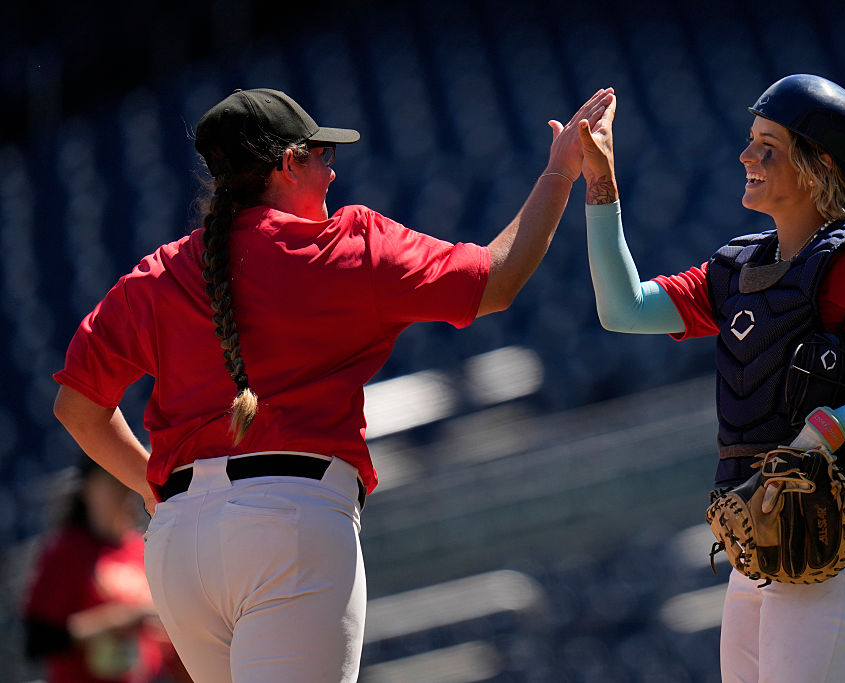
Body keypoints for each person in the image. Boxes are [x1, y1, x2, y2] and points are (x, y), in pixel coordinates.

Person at [52, 85, 613, 682]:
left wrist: (148, 483)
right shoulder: (346, 243)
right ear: (287, 163)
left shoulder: (157, 274)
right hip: (289, 526)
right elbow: (496, 281)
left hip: (177, 549)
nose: (333, 170)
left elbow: (78, 408)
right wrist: (559, 173)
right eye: (321, 156)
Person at [577, 74, 845, 680]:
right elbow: (621, 309)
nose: (746, 157)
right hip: (764, 542)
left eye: (769, 147)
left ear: (818, 166)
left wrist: (840, 424)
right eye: (751, 140)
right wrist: (601, 183)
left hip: (837, 536)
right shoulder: (739, 270)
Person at [22, 455, 190, 683]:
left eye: (126, 481)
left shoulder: (145, 548)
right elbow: (39, 639)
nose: (122, 491)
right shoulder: (66, 552)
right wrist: (118, 620)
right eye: (112, 480)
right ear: (88, 488)